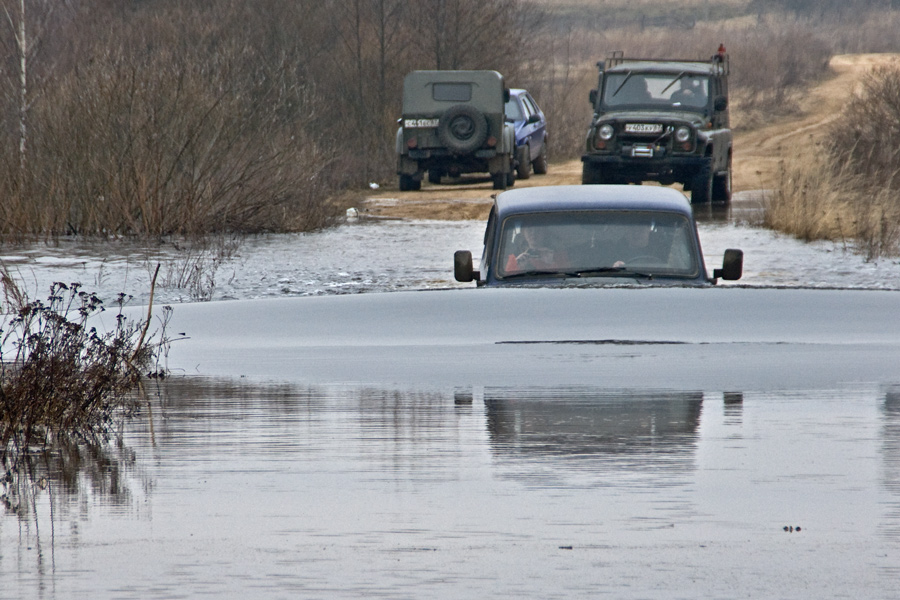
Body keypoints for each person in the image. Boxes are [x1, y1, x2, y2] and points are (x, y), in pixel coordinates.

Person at [504, 226, 569, 273]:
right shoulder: (515, 258)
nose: (533, 233)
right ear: (524, 233)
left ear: (544, 233)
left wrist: (551, 262)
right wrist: (518, 266)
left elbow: (565, 278)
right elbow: (506, 282)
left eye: (538, 230)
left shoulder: (558, 255)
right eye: (529, 229)